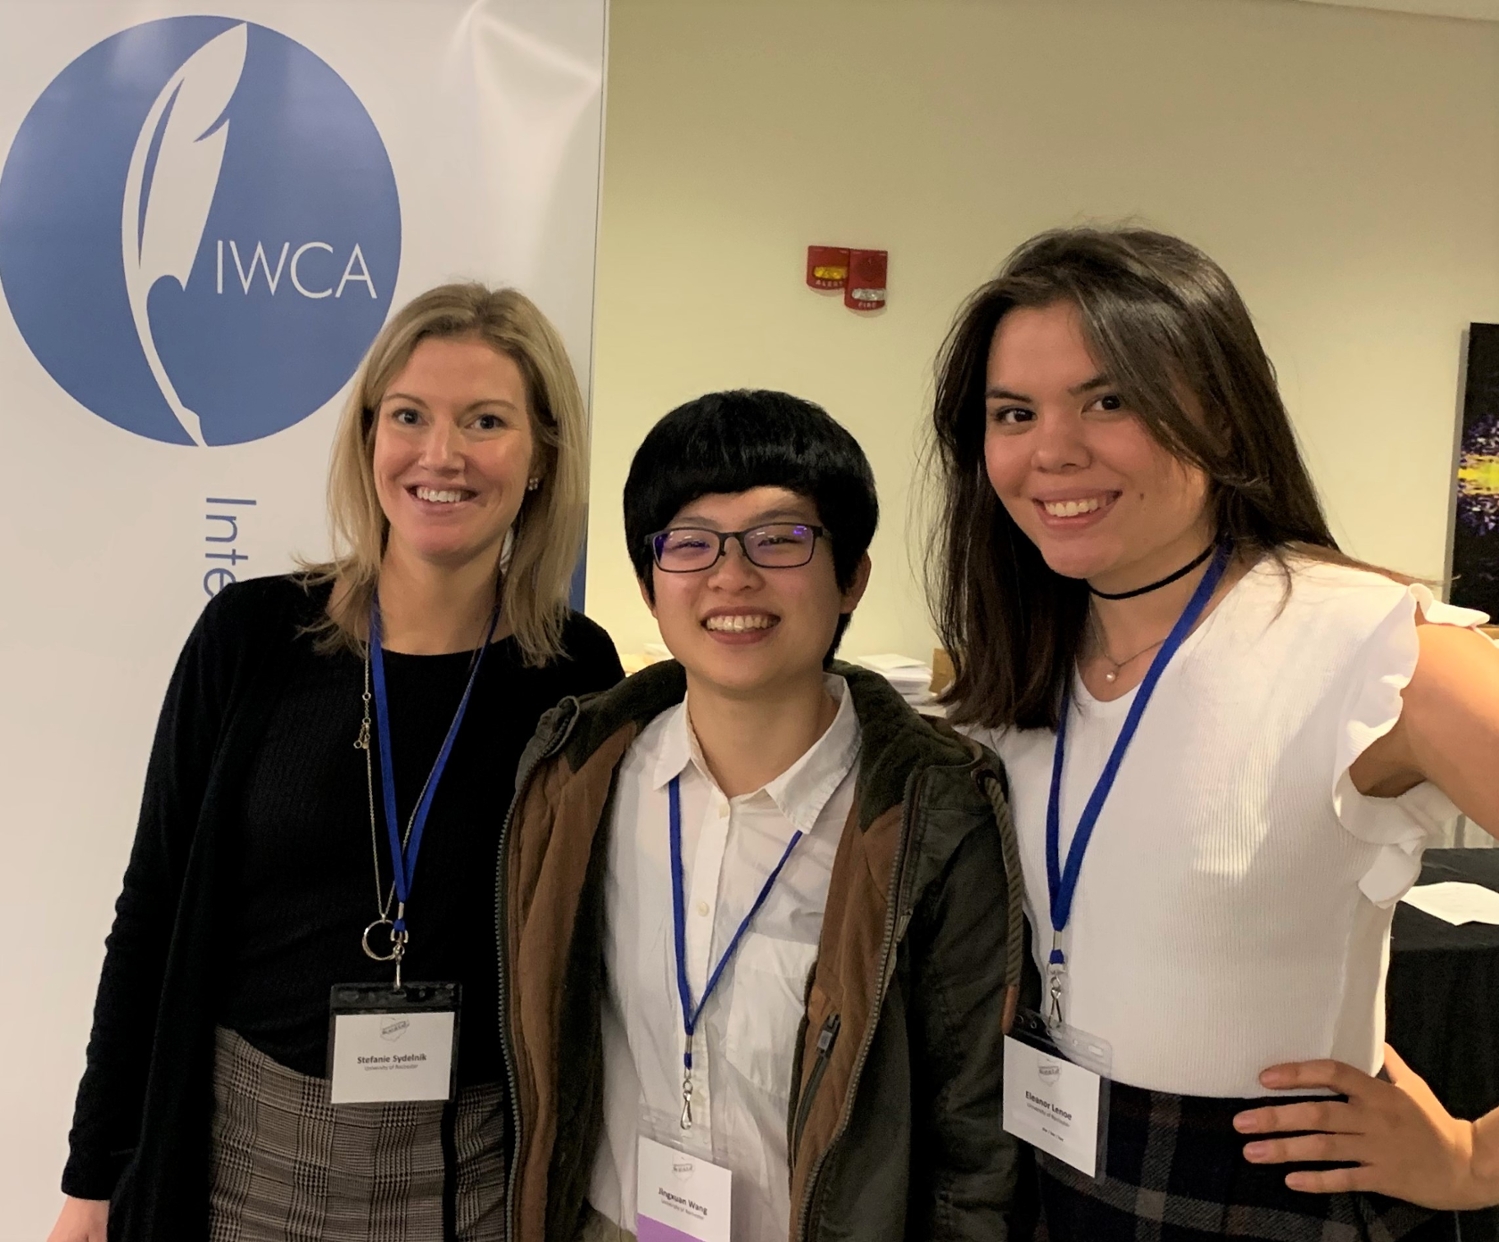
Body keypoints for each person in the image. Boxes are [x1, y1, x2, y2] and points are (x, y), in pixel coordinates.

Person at [926, 226, 1499, 1240]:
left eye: (1108, 399)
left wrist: (1470, 1159)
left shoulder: (1376, 648)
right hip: (1046, 1178)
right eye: (1013, 413)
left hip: (1265, 1201)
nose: (1050, 450)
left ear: (1223, 419)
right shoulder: (1018, 667)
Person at [49, 284, 624, 1242]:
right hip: (248, 1156)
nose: (441, 455)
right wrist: (91, 1181)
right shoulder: (252, 638)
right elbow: (150, 912)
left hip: (476, 1169)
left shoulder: (574, 673)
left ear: (539, 459)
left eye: (485, 421)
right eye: (409, 417)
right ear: (368, 440)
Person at [496, 389, 1033, 1242]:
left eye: (779, 539)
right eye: (690, 543)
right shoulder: (578, 779)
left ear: (851, 575)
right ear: (648, 582)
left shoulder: (926, 817)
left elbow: (970, 1132)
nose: (731, 576)